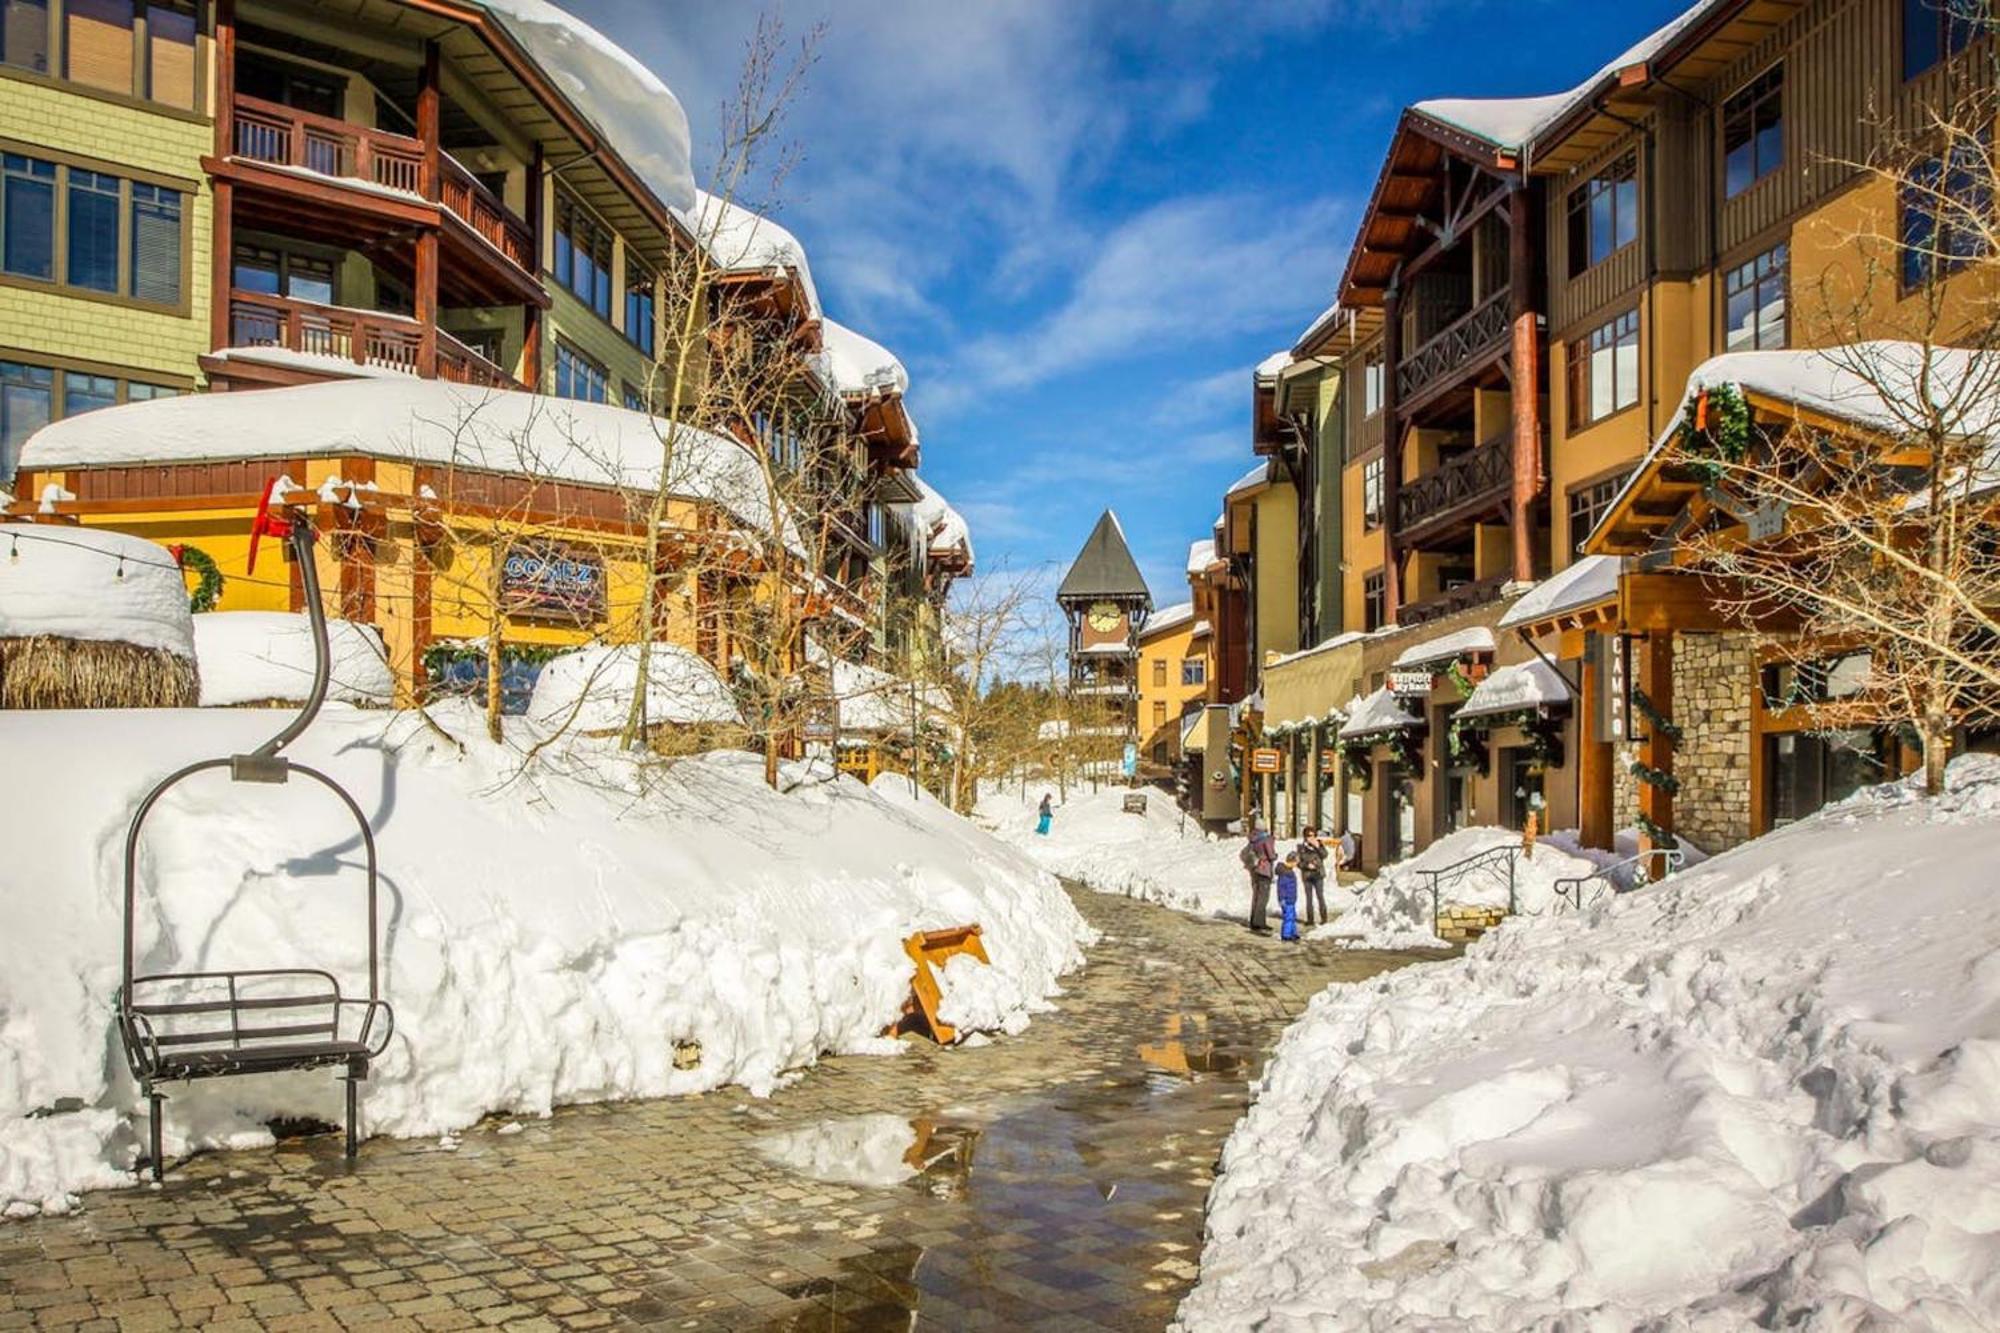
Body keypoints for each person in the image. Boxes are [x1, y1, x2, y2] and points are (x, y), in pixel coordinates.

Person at [1239, 823, 1276, 933]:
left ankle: (1253, 921)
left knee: (1256, 896)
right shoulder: (1266, 839)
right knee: (1263, 897)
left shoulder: (1253, 838)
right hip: (1264, 870)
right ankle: (1259, 922)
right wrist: (1274, 856)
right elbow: (1271, 855)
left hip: (1254, 870)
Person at [1295, 828, 1329, 926]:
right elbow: (1298, 862)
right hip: (1307, 875)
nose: (1312, 837)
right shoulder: (1301, 847)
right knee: (1309, 898)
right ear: (1305, 837)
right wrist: (1306, 865)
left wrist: (1318, 847)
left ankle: (1324, 918)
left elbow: (1325, 855)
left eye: (1313, 835)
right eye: (1309, 835)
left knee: (1320, 896)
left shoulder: (1319, 844)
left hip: (1318, 874)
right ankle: (1310, 919)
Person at [1274, 853, 1301, 942]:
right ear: (1292, 861)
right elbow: (1281, 888)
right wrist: (1282, 899)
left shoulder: (1289, 871)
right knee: (1288, 917)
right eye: (1296, 862)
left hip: (1291, 898)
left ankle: (1293, 932)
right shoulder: (1285, 873)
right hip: (1286, 899)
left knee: (1292, 916)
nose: (1297, 864)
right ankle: (1286, 935)